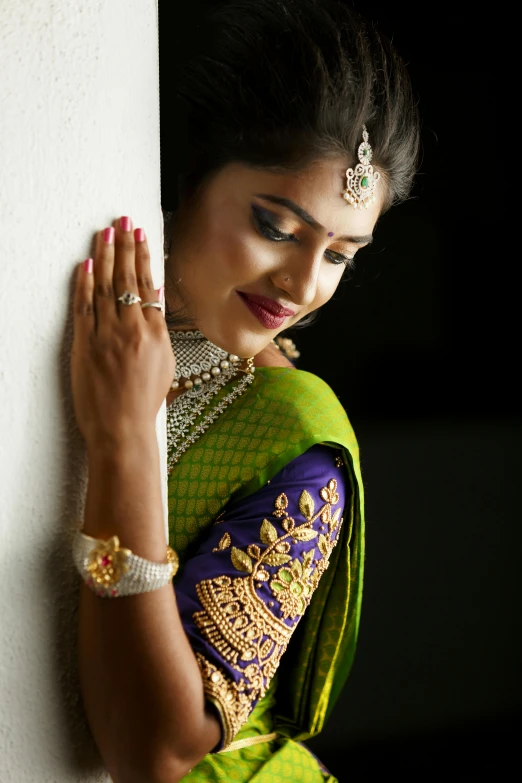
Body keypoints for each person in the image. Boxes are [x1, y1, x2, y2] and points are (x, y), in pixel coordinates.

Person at [70, 1, 419, 781]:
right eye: (277, 225)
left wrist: (126, 436)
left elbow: (153, 754)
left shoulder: (297, 440)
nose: (302, 284)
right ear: (190, 175)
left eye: (340, 255)